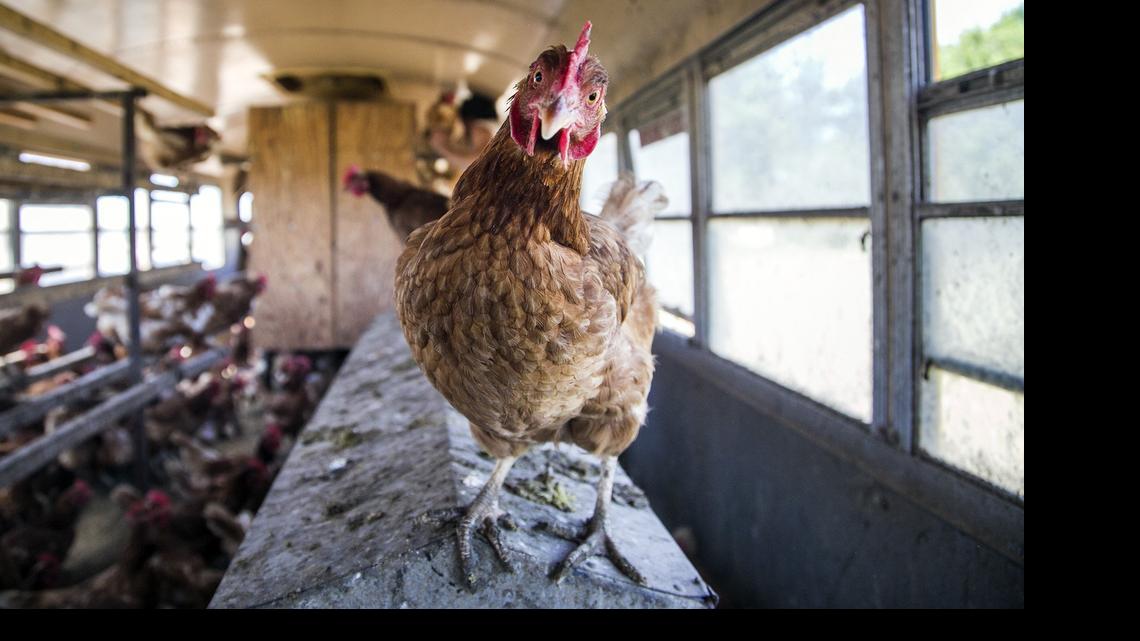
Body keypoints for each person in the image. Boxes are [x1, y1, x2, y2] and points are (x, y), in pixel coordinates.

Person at [428, 92, 499, 175]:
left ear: (468, 118)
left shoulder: (480, 128)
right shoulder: (488, 128)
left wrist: (442, 147)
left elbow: (480, 162)